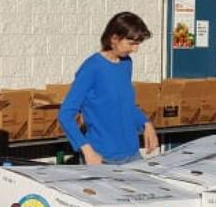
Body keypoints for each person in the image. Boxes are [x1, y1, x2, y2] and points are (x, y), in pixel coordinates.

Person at [60, 12, 160, 165]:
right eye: (131, 43)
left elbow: (125, 105)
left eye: (138, 44)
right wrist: (87, 151)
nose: (135, 49)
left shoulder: (126, 64)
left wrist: (146, 124)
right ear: (114, 39)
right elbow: (66, 114)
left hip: (131, 155)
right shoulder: (91, 68)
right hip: (102, 158)